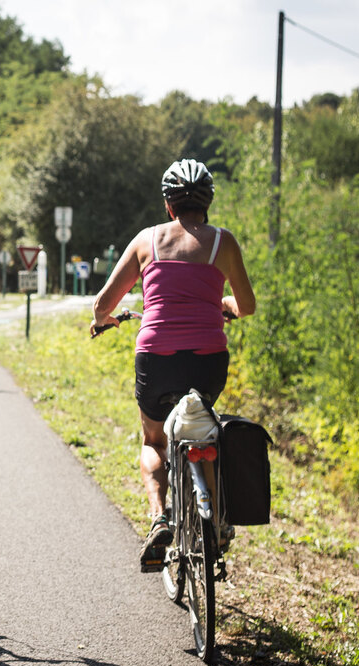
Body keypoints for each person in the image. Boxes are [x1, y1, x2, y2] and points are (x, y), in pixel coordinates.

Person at [90, 159, 256, 571]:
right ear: (209, 202)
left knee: (153, 440)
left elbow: (102, 304)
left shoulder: (147, 241)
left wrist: (104, 320)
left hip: (157, 357)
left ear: (168, 204)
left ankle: (160, 518)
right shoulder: (224, 242)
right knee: (206, 429)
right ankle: (215, 521)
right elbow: (247, 305)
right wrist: (223, 307)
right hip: (208, 359)